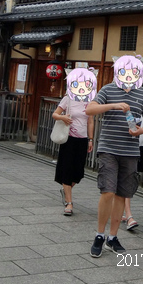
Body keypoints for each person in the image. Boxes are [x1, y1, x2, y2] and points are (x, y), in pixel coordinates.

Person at [84, 55, 143, 258]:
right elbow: (90, 109)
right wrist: (113, 105)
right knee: (107, 191)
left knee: (123, 194)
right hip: (108, 149)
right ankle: (99, 235)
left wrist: (141, 131)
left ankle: (112, 237)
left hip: (131, 150)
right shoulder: (108, 89)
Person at [53, 67, 97, 216]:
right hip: (69, 139)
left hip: (83, 139)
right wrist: (63, 117)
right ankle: (69, 203)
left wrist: (91, 139)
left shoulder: (91, 101)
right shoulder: (68, 99)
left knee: (78, 173)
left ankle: (66, 190)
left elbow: (91, 122)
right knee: (67, 168)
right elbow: (55, 114)